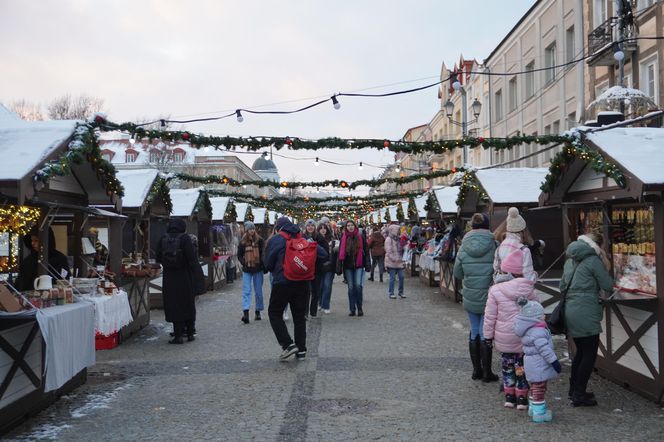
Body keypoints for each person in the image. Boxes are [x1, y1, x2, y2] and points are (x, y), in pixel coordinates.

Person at [561, 232, 613, 407]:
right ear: (597, 246)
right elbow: (608, 285)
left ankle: (574, 389)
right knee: (589, 354)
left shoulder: (569, 261)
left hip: (571, 309)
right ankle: (579, 393)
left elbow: (562, 286)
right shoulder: (593, 261)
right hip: (586, 310)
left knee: (581, 352)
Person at [264, 217, 327, 361]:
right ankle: (302, 350)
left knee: (274, 313)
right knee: (299, 316)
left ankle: (288, 344)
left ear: (279, 228)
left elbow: (267, 264)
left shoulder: (276, 240)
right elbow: (323, 254)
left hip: (282, 282)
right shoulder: (304, 239)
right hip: (303, 282)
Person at [483, 247, 538, 409]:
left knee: (507, 367)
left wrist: (488, 336)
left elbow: (490, 316)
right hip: (524, 337)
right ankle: (522, 398)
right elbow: (537, 314)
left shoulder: (496, 290)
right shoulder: (530, 290)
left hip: (504, 338)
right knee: (521, 367)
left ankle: (509, 396)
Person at [453, 213, 499, 382]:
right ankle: (487, 372)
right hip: (489, 295)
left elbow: (457, 272)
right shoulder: (494, 244)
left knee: (474, 331)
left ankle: (476, 371)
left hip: (471, 295)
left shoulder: (464, 246)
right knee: (484, 332)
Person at [514, 298, 562, 423]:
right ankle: (539, 413)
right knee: (539, 388)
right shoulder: (538, 331)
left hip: (532, 363)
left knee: (535, 387)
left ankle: (533, 408)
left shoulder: (530, 329)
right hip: (539, 364)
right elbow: (544, 349)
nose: (544, 316)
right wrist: (554, 362)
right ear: (534, 317)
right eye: (542, 315)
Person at [156, 218, 199, 344]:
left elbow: (158, 257)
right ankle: (190, 333)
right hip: (185, 276)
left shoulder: (163, 238)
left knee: (174, 305)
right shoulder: (185, 238)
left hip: (170, 277)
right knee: (188, 304)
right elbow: (192, 258)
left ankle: (178, 335)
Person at [494, 207, 537, 282]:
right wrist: (535, 276)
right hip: (518, 290)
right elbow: (528, 277)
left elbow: (496, 268)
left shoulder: (499, 248)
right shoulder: (524, 250)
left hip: (501, 289)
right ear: (523, 230)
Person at [337, 220, 370, 317]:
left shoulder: (360, 237)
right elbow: (340, 252)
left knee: (358, 286)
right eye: (348, 225)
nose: (350, 227)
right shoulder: (344, 238)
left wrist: (368, 264)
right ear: (346, 227)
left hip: (359, 265)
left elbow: (366, 250)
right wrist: (339, 266)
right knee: (351, 288)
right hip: (348, 266)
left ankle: (359, 308)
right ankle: (352, 309)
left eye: (352, 225)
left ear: (355, 226)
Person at [237, 221, 265, 324]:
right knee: (246, 291)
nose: (252, 230)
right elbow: (239, 255)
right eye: (250, 229)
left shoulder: (260, 240)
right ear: (246, 230)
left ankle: (258, 311)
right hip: (247, 269)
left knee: (258, 292)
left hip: (258, 269)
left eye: (253, 229)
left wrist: (263, 264)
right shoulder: (242, 242)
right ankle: (246, 313)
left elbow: (263, 254)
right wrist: (244, 263)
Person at [303, 219, 327, 317]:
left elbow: (325, 254)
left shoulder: (320, 238)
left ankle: (313, 312)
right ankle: (305, 312)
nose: (310, 227)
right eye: (308, 226)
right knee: (306, 291)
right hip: (305, 269)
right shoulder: (302, 237)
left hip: (317, 268)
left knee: (316, 291)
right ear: (306, 227)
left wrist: (314, 246)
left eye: (312, 225)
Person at [317, 222, 337, 314]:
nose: (323, 229)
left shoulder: (332, 240)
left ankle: (326, 305)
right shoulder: (315, 239)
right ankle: (320, 302)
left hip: (329, 266)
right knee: (320, 287)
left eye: (325, 228)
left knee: (327, 286)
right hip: (318, 266)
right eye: (321, 228)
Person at [384, 224, 406, 299]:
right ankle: (391, 293)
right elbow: (388, 251)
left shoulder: (398, 239)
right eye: (398, 230)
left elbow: (401, 249)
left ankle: (401, 292)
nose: (399, 231)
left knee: (402, 277)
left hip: (399, 261)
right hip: (391, 262)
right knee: (392, 278)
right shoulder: (388, 239)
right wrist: (394, 258)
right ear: (393, 230)